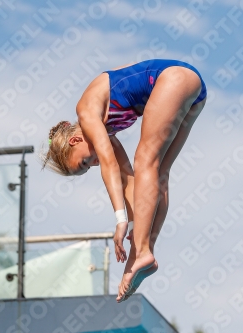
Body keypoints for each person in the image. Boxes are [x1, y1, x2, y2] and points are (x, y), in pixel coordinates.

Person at [41, 59, 207, 302]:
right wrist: (131, 226)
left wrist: (119, 220)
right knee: (158, 173)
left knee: (146, 159)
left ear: (74, 142)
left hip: (173, 79)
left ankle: (141, 253)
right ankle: (141, 254)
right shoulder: (106, 131)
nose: (93, 164)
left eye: (84, 163)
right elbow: (128, 180)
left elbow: (109, 164)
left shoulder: (86, 113)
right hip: (195, 92)